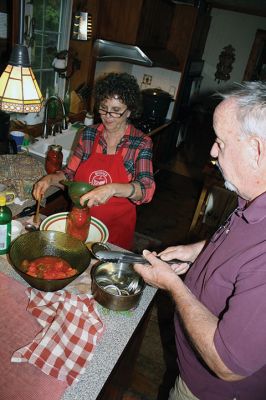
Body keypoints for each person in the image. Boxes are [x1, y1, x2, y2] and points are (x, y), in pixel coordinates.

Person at [134, 81, 266, 400]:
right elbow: (239, 251)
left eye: (220, 142)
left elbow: (227, 363)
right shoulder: (252, 197)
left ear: (256, 150)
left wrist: (173, 285)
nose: (212, 152)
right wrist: (198, 251)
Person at [33, 72, 155, 249]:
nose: (107, 116)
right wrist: (50, 179)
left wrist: (112, 189)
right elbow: (70, 174)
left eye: (115, 111)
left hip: (116, 231)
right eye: (104, 108)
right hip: (79, 222)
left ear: (129, 111)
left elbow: (147, 189)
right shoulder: (88, 134)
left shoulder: (140, 143)